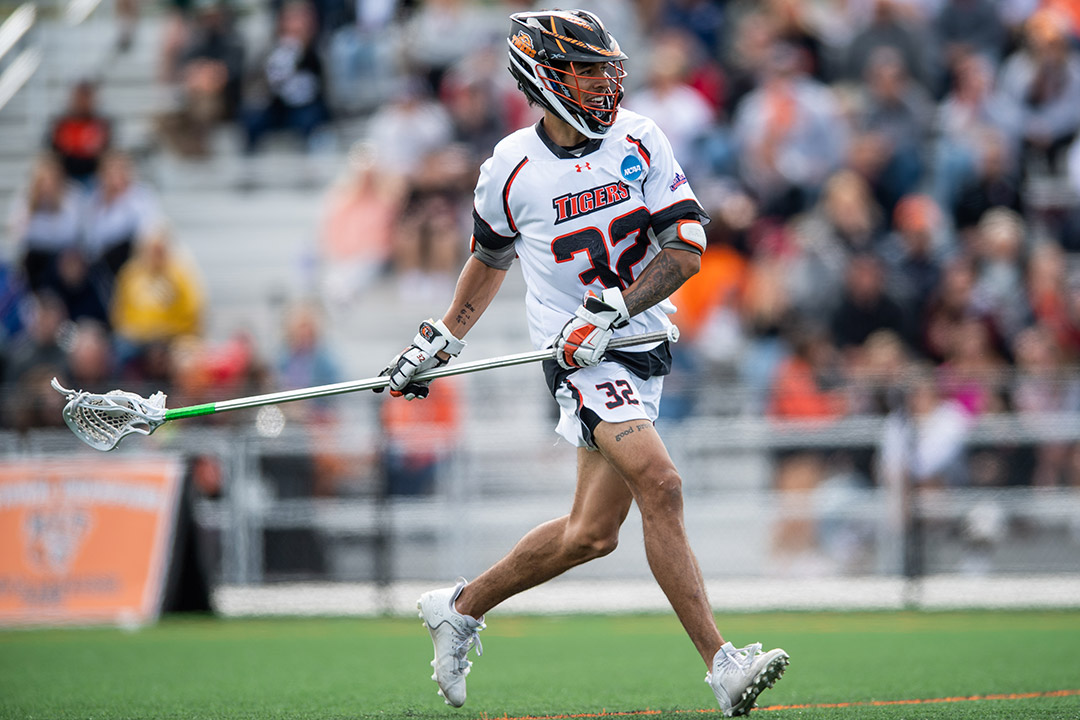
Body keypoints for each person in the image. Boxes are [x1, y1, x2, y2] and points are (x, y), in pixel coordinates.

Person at [377, 10, 788, 717]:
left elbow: (686, 250)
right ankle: (721, 663)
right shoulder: (508, 168)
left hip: (635, 341)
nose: (605, 82)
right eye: (587, 69)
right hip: (577, 358)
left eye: (606, 68)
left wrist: (613, 311)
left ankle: (460, 606)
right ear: (543, 77)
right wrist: (439, 341)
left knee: (591, 535)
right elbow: (488, 261)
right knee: (661, 482)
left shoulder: (640, 136)